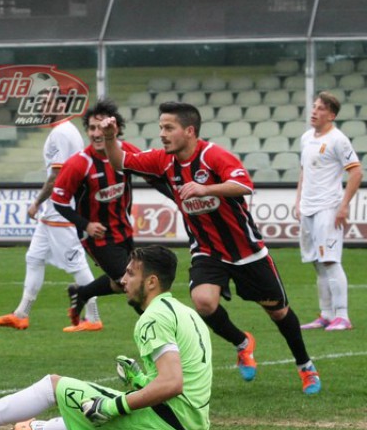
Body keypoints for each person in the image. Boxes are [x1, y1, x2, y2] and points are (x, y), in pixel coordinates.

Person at [99, 101, 321, 395]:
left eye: (169, 128)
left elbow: (244, 185)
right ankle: (243, 343)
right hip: (207, 250)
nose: (162, 134)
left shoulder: (213, 155)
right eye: (161, 128)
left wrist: (207, 188)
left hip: (247, 251)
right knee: (203, 301)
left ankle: (305, 366)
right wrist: (111, 137)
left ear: (189, 131)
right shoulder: (163, 161)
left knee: (279, 313)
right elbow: (120, 162)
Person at [0, 245, 212, 430]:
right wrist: (140, 381)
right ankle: (37, 429)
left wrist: (115, 405)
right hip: (189, 424)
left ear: (151, 281)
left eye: (131, 274)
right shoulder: (182, 311)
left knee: (54, 386)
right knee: (90, 399)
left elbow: (173, 383)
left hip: (168, 426)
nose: (122, 280)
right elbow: (182, 379)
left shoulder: (153, 317)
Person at [51, 100, 173, 325]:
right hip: (98, 238)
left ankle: (84, 293)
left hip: (124, 230)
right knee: (135, 284)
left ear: (115, 129)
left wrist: (179, 199)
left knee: (122, 281)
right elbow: (58, 201)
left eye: (102, 127)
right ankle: (158, 330)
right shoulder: (79, 164)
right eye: (92, 128)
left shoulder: (125, 152)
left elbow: (152, 177)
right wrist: (85, 224)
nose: (97, 133)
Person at [0, 88, 101, 332]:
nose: (41, 107)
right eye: (39, 102)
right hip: (52, 211)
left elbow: (57, 175)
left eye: (46, 102)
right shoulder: (62, 131)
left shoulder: (62, 133)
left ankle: (93, 318)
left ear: (61, 106)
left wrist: (37, 202)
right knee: (34, 258)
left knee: (76, 263)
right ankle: (21, 314)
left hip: (61, 208)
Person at [296, 92, 362, 331]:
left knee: (331, 261)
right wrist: (298, 202)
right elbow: (304, 171)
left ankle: (342, 316)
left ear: (331, 115)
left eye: (321, 108)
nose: (314, 111)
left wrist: (344, 205)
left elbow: (356, 172)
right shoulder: (305, 138)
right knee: (316, 262)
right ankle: (325, 314)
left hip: (328, 207)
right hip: (308, 208)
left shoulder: (338, 140)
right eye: (314, 107)